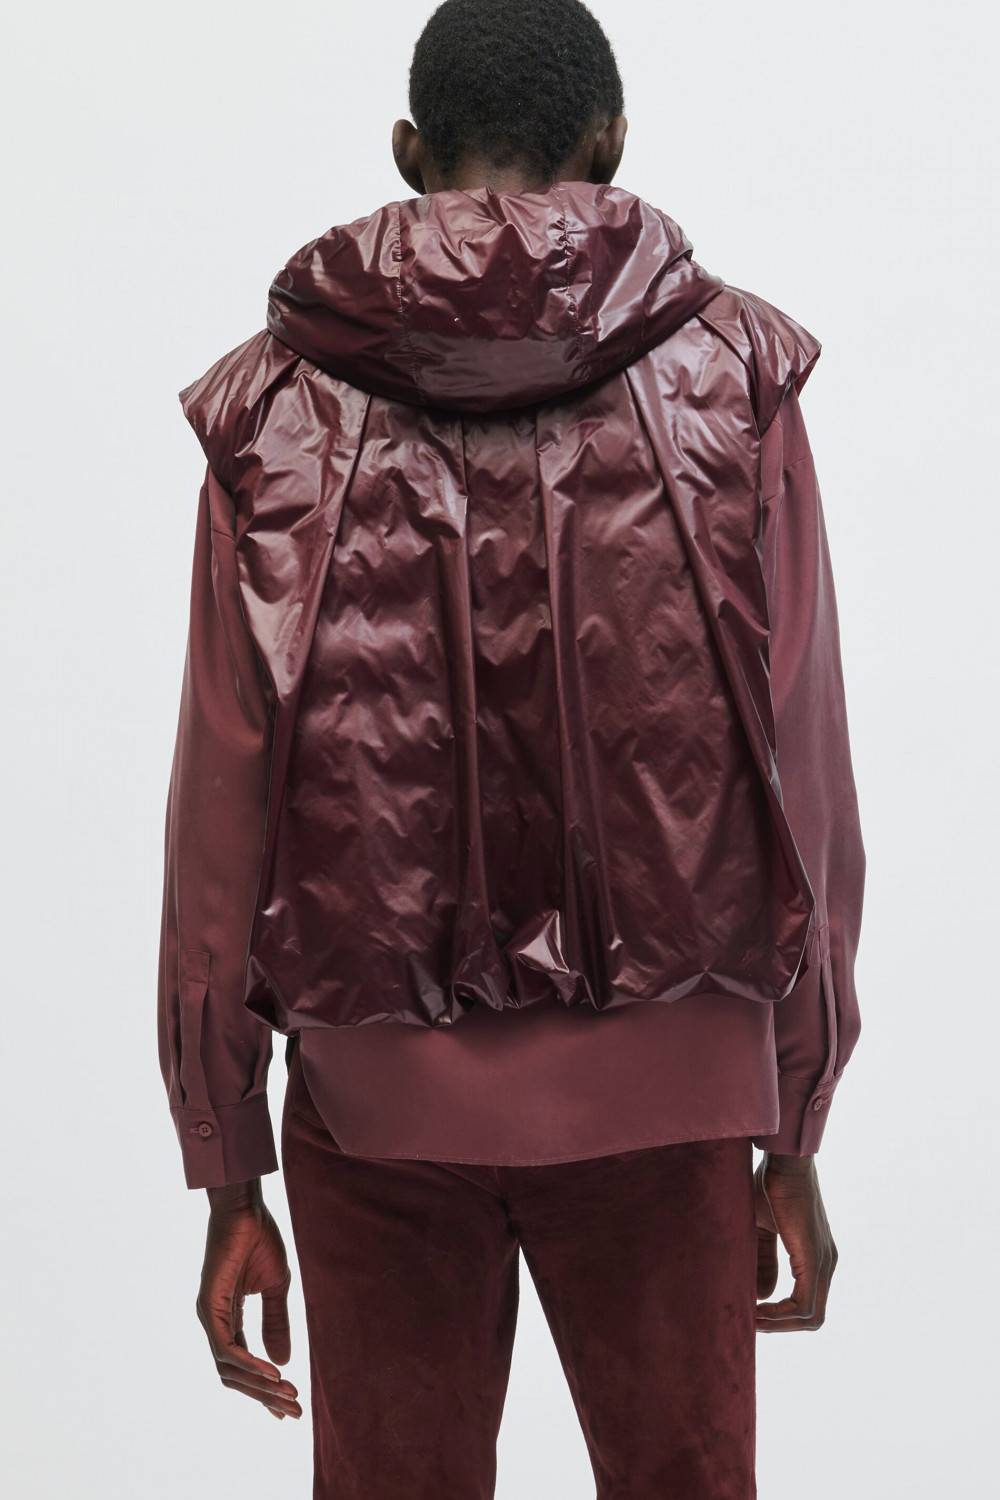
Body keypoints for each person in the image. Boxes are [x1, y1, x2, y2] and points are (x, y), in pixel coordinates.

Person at [157, 1, 865, 1494]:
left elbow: (222, 807)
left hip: (375, 1098)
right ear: (612, 144)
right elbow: (804, 770)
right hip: (674, 1082)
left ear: (408, 152)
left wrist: (227, 1163)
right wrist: (793, 1113)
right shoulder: (731, 380)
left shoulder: (278, 405)